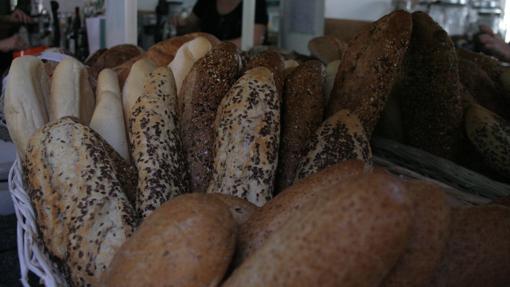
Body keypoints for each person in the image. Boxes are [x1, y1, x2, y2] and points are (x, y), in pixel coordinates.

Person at [174, 0, 268, 47]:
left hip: (242, 63)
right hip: (206, 61)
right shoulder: (205, 1)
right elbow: (190, 25)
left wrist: (211, 46)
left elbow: (255, 39)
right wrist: (180, 23)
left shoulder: (253, 2)